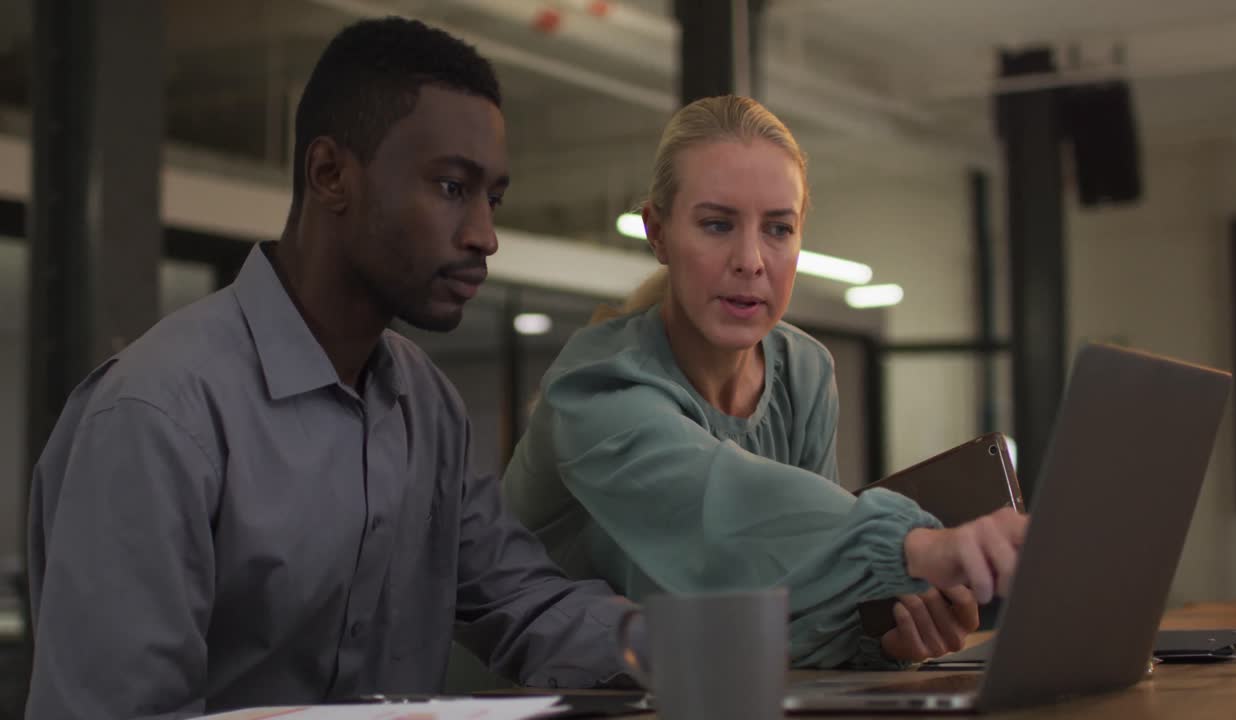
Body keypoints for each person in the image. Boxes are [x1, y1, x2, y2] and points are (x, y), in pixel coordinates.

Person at [26, 18, 637, 719]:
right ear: (329, 174)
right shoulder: (156, 416)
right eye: (449, 187)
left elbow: (522, 601)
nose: (483, 234)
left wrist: (665, 641)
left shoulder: (426, 407)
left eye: (490, 197)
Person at [503, 95, 1028, 669]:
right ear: (657, 232)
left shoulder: (804, 372)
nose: (751, 259)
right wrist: (916, 546)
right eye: (716, 224)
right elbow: (720, 508)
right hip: (518, 700)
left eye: (778, 228)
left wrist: (878, 643)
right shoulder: (593, 386)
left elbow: (796, 599)